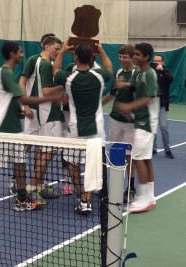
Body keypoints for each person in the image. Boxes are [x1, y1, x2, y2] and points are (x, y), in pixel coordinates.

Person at [0, 41, 62, 212]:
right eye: (19, 52)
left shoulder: (9, 72)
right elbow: (23, 99)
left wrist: (19, 112)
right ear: (12, 54)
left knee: (20, 161)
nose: (21, 54)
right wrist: (51, 99)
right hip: (3, 126)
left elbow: (10, 100)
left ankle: (21, 199)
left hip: (13, 125)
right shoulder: (5, 73)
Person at [53, 40, 113, 215]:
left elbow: (55, 70)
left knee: (71, 163)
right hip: (97, 130)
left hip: (75, 130)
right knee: (92, 166)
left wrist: (62, 51)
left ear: (76, 56)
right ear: (92, 58)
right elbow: (109, 68)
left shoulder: (68, 78)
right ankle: (86, 200)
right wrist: (101, 50)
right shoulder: (100, 76)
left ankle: (81, 194)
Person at [115, 43, 159, 213]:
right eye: (133, 54)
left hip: (146, 122)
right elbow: (133, 86)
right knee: (146, 159)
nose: (134, 57)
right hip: (141, 120)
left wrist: (128, 107)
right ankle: (150, 196)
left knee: (137, 158)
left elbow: (148, 98)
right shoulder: (140, 73)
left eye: (137, 55)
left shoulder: (149, 74)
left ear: (146, 57)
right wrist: (125, 86)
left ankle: (143, 198)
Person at [25, 36, 64, 203]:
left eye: (59, 49)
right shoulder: (45, 64)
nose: (57, 52)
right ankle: (32, 187)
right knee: (49, 152)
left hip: (43, 112)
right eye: (56, 49)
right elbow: (47, 92)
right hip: (49, 113)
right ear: (46, 47)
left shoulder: (41, 62)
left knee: (42, 150)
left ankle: (38, 185)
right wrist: (64, 85)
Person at [102, 44, 138, 202]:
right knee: (115, 154)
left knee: (130, 156)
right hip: (115, 120)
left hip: (132, 122)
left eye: (125, 57)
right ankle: (114, 187)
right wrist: (99, 106)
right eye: (120, 57)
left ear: (132, 57)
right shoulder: (118, 72)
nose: (122, 60)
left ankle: (130, 188)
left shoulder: (138, 73)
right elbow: (112, 94)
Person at [152, 54, 174, 159]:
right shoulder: (149, 71)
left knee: (164, 127)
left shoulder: (166, 71)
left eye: (158, 61)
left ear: (162, 62)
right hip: (151, 104)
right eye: (155, 60)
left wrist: (162, 71)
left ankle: (167, 149)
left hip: (162, 104)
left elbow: (170, 79)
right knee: (152, 128)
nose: (156, 62)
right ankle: (153, 148)